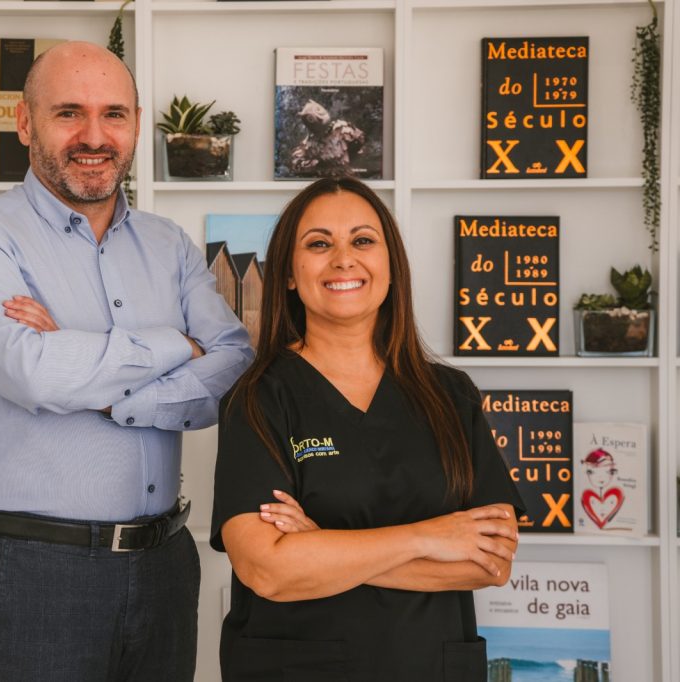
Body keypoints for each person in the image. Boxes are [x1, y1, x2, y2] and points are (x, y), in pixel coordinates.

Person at [0, 41, 252, 681]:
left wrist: (104, 388)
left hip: (164, 566)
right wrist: (175, 343)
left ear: (135, 123)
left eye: (114, 114)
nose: (94, 137)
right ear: (26, 123)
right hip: (34, 569)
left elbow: (233, 368)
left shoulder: (170, 245)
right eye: (68, 113)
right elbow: (32, 373)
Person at [211, 177, 525, 681]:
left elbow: (491, 562)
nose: (344, 260)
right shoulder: (256, 399)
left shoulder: (452, 395)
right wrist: (430, 537)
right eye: (319, 244)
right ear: (288, 273)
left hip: (432, 667)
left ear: (391, 265)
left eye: (362, 240)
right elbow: (267, 570)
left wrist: (322, 545)